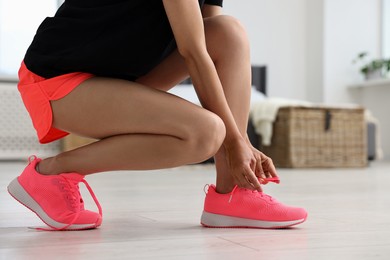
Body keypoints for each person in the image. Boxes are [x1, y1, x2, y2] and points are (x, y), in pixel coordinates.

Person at [7, 0, 307, 231]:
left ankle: (234, 192)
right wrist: (235, 140)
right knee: (206, 132)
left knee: (228, 31)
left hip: (119, 74)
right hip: (57, 78)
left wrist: (239, 143)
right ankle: (49, 172)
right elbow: (193, 52)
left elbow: (211, 43)